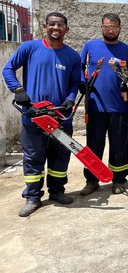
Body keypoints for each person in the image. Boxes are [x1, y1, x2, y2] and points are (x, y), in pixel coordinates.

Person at [2, 12, 81, 217]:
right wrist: (18, 90)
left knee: (60, 155)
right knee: (33, 156)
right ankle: (33, 197)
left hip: (60, 117)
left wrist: (70, 100)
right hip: (34, 114)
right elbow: (8, 69)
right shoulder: (30, 48)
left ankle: (57, 191)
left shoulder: (72, 55)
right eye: (52, 24)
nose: (56, 28)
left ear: (67, 29)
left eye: (60, 25)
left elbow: (75, 83)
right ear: (45, 26)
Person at [79, 13, 128, 196]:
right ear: (101, 27)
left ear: (120, 28)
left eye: (114, 27)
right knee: (94, 145)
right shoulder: (90, 47)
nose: (110, 30)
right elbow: (80, 69)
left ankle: (118, 180)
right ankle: (91, 180)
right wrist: (82, 84)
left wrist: (127, 83)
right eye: (107, 27)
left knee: (119, 145)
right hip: (95, 106)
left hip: (119, 107)